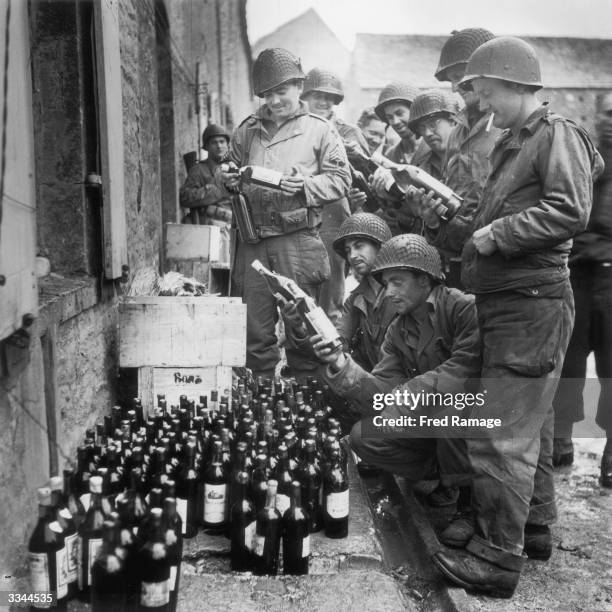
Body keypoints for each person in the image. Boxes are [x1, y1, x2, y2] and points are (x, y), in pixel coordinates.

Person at [429, 37, 603, 598]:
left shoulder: (558, 135)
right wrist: (452, 220)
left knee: (501, 435)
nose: (482, 104)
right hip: (508, 303)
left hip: (532, 305)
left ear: (514, 84)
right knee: (528, 422)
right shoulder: (514, 144)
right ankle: (531, 529)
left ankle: (497, 559)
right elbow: (487, 227)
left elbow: (568, 211)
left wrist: (495, 232)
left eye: (486, 92)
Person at [219, 48, 351, 381]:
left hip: (297, 241)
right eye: (267, 94)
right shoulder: (247, 130)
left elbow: (341, 180)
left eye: (282, 92)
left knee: (304, 330)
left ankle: (308, 403)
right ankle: (262, 407)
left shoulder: (319, 130)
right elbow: (227, 168)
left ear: (298, 87)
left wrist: (305, 186)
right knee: (255, 334)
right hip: (253, 243)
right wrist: (229, 179)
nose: (275, 101)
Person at [310, 233, 479, 491]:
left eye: (397, 282)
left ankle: (467, 501)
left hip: (474, 415)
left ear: (424, 280)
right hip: (428, 419)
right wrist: (340, 363)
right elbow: (382, 389)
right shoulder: (397, 329)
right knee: (363, 436)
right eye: (387, 284)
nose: (389, 292)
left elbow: (466, 367)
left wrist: (410, 392)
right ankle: (436, 474)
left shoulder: (462, 308)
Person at [283, 213, 396, 435]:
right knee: (319, 378)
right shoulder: (355, 299)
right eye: (348, 251)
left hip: (401, 390)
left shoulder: (401, 293)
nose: (353, 255)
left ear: (381, 247)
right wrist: (297, 326)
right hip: (371, 384)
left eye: (359, 246)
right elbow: (336, 343)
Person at [552, 92, 612, 488]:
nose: (609, 121)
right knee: (569, 358)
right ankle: (561, 437)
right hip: (577, 272)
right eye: (606, 113)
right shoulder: (588, 157)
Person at [300, 68, 370, 325]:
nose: (323, 102)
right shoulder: (294, 129)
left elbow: (366, 175)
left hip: (334, 216)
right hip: (299, 214)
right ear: (305, 95)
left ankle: (334, 350)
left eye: (330, 97)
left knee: (332, 288)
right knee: (300, 288)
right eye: (317, 95)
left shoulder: (349, 133)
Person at [179, 124, 233, 226]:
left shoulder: (233, 169)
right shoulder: (198, 170)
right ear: (207, 147)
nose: (219, 146)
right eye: (214, 142)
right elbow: (184, 197)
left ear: (227, 145)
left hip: (231, 228)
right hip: (208, 226)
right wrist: (215, 190)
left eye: (222, 142)